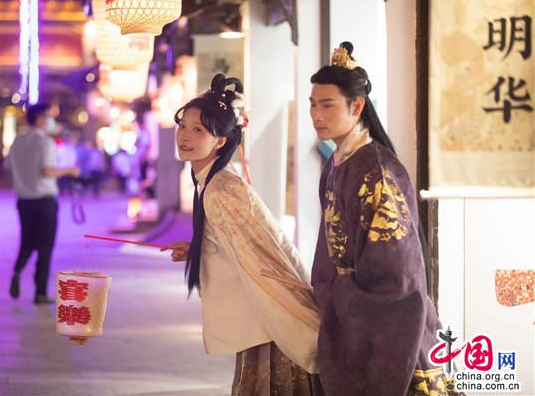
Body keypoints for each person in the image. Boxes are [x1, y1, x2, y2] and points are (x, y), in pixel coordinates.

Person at [309, 42, 462, 395]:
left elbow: (397, 271)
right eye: (313, 104)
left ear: (356, 106)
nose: (316, 114)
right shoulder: (338, 163)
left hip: (391, 325)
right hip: (351, 309)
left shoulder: (377, 170)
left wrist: (341, 294)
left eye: (327, 104)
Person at [162, 74, 322, 395]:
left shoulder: (221, 189)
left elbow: (260, 261)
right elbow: (236, 243)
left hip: (266, 318)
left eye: (198, 130)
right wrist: (199, 247)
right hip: (258, 315)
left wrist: (298, 319)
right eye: (183, 126)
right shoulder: (213, 182)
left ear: (220, 141)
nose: (185, 136)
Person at [5, 103, 79, 304]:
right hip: (44, 201)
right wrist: (70, 170)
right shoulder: (45, 142)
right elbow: (47, 171)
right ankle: (40, 292)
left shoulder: (18, 140)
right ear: (39, 119)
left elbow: (8, 166)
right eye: (48, 116)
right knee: (45, 247)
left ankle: (17, 271)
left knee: (27, 241)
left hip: (23, 200)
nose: (50, 121)